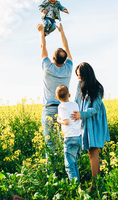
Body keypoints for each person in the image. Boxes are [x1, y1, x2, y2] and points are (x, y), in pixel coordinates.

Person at [71, 62, 110, 190]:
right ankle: (97, 181)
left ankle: (95, 185)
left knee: (93, 152)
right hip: (85, 121)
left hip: (95, 121)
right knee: (91, 153)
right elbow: (76, 101)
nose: (78, 78)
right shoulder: (80, 85)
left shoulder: (97, 88)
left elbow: (95, 109)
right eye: (77, 75)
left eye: (80, 75)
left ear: (87, 75)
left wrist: (81, 115)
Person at [36, 22, 73, 154]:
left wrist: (41, 32)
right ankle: (67, 167)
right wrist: (61, 31)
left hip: (49, 110)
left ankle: (52, 173)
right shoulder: (68, 69)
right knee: (65, 141)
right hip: (64, 109)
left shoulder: (47, 67)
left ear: (53, 58)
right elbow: (66, 48)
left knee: (50, 144)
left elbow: (42, 46)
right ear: (65, 60)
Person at [56, 85, 82, 182]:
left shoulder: (61, 106)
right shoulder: (75, 104)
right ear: (69, 95)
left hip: (70, 139)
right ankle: (78, 185)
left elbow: (66, 122)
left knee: (69, 166)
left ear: (57, 98)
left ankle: (75, 188)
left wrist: (59, 121)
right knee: (74, 163)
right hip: (78, 137)